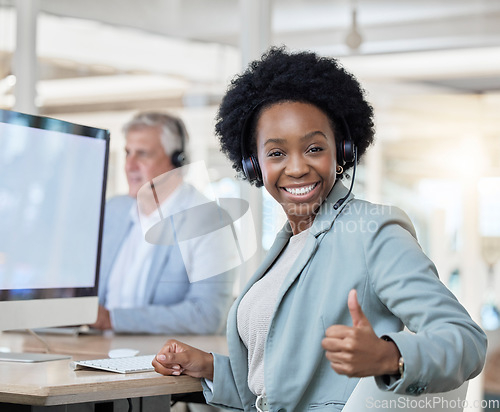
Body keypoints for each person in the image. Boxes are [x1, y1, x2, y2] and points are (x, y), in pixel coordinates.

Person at [152, 48, 487, 410]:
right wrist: (210, 367)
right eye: (277, 153)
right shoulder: (285, 246)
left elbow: (465, 341)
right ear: (254, 165)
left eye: (313, 148)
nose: (296, 168)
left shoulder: (372, 231)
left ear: (342, 151)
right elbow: (277, 392)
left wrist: (390, 356)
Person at [91, 111, 234, 335]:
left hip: (162, 361)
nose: (129, 165)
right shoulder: (112, 210)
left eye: (143, 154)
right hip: (94, 350)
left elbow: (207, 315)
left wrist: (113, 319)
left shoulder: (210, 221)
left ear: (177, 161)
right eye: (128, 153)